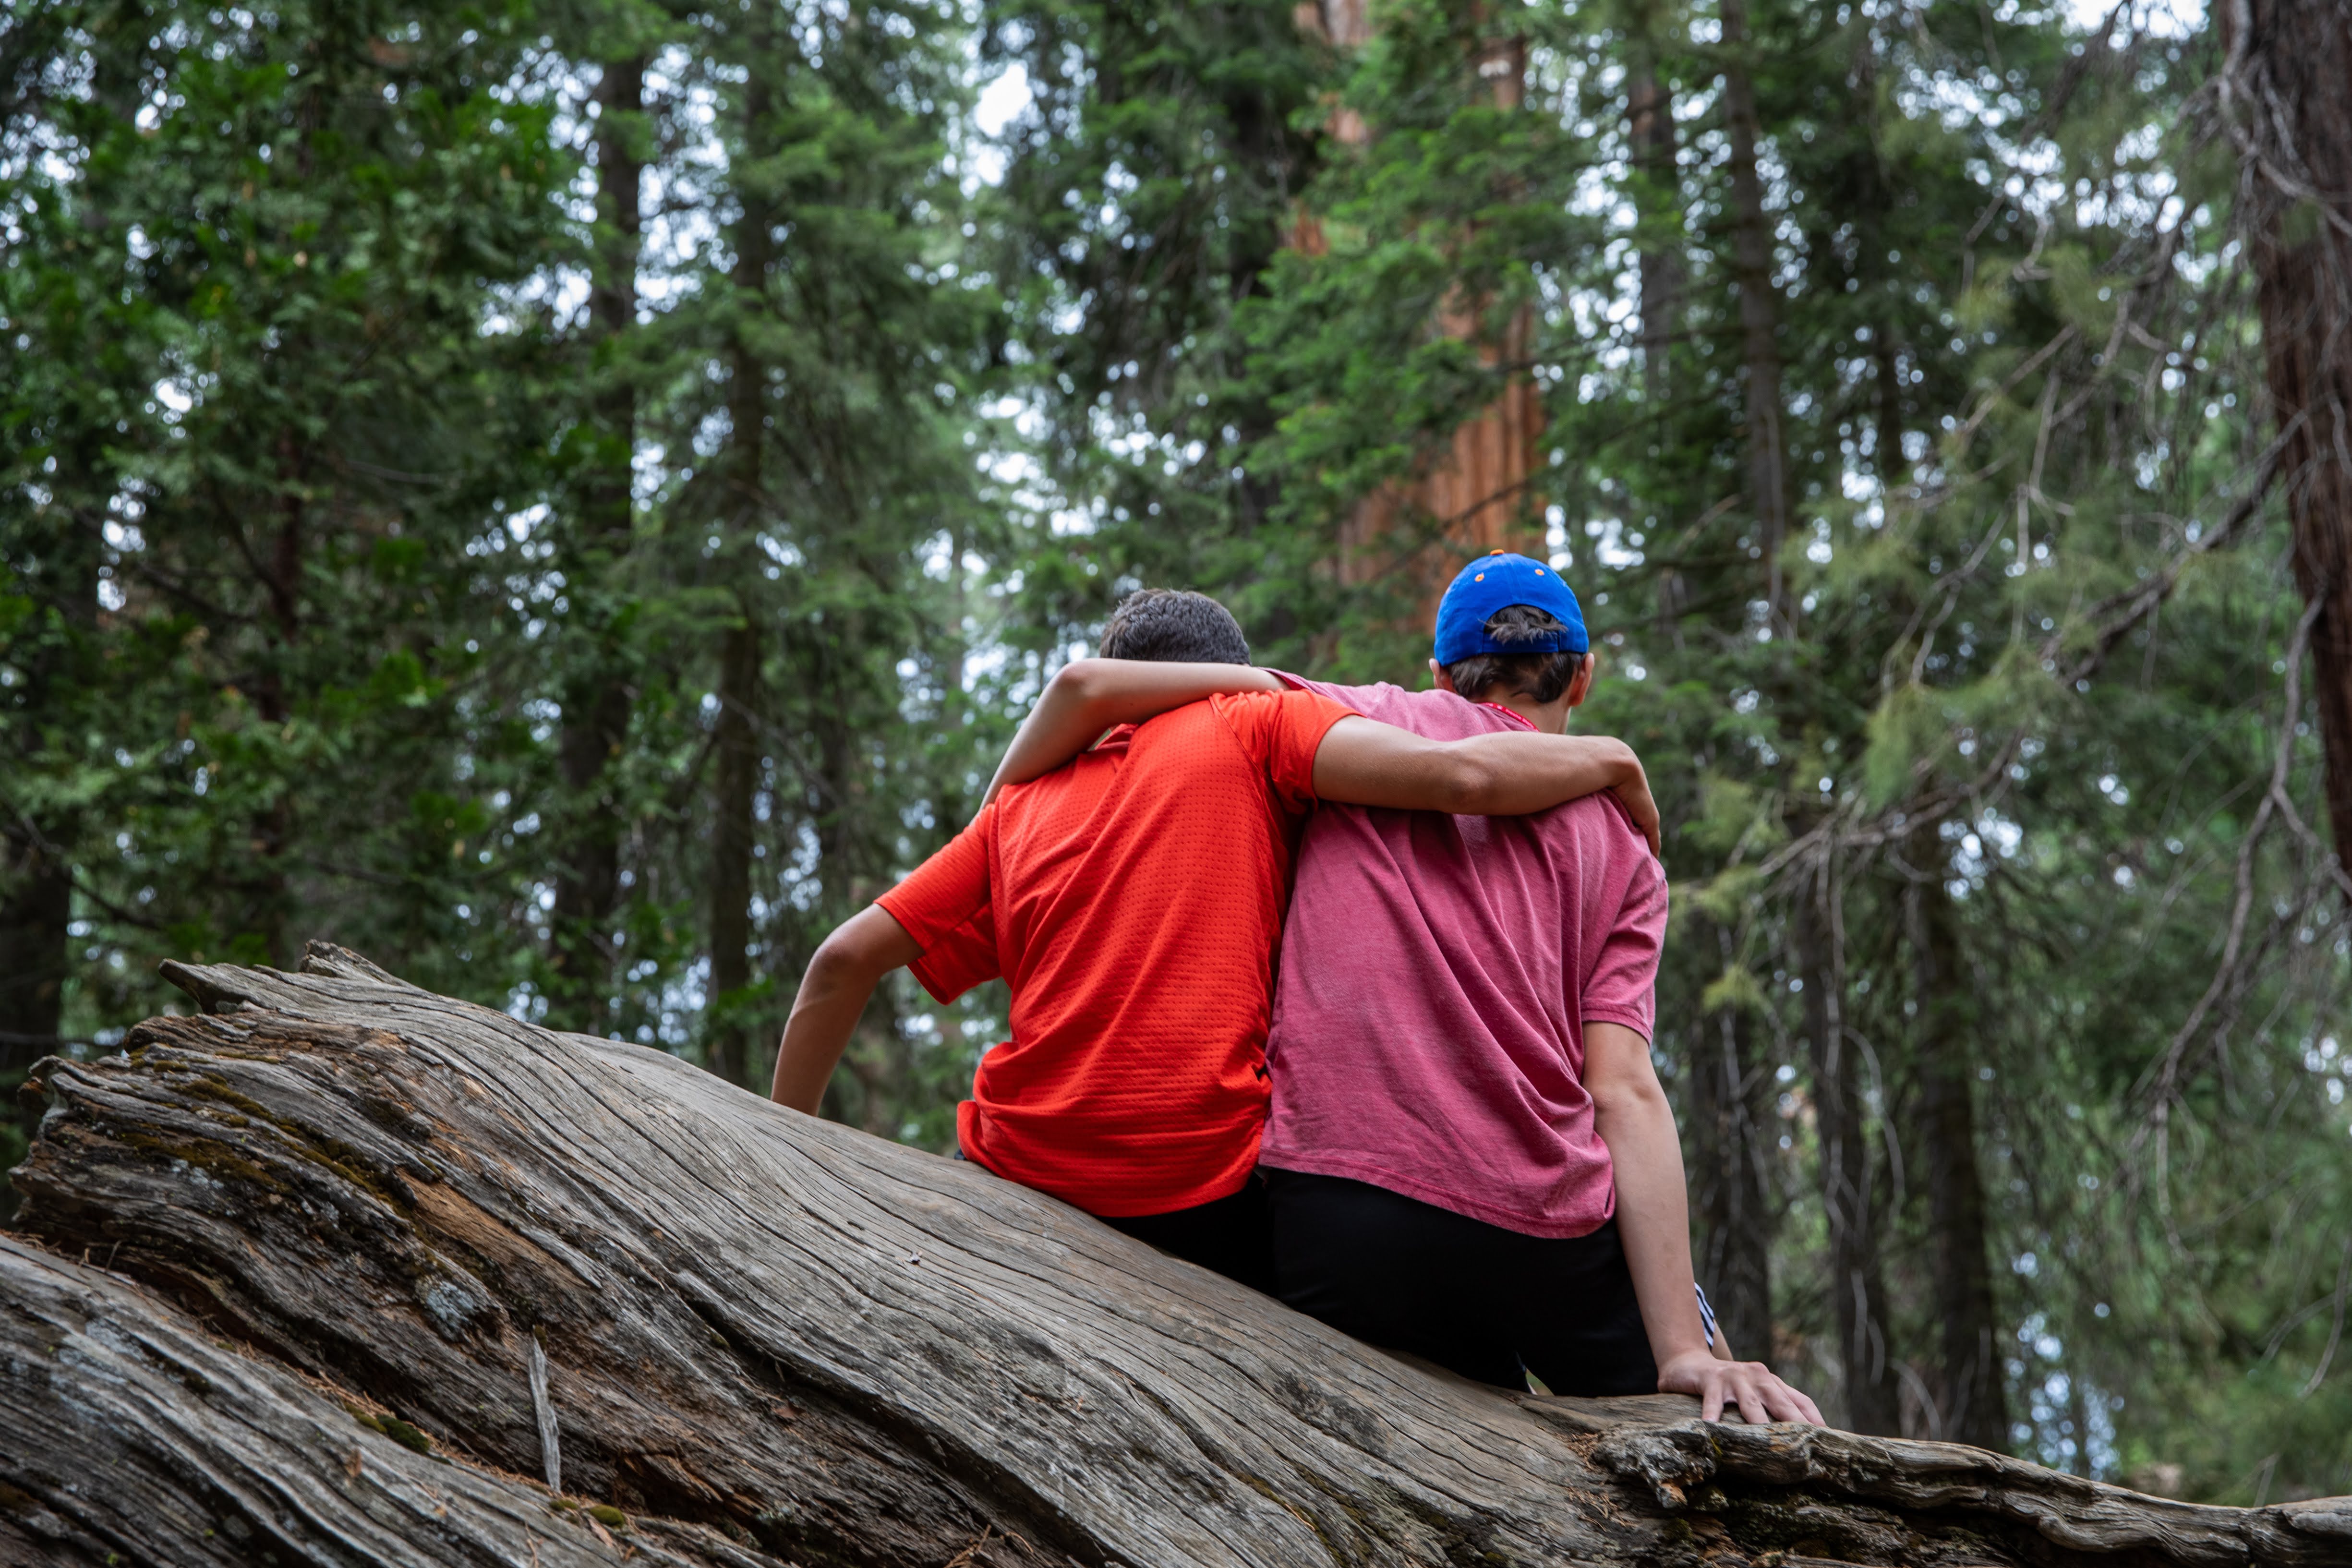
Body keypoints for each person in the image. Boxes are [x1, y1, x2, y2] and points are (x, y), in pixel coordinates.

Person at [1012, 557, 1819, 1425]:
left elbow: (1112, 689)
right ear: (1583, 674)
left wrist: (998, 829)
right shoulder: (1624, 847)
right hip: (1537, 1231)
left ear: (1438, 672)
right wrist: (1683, 1351)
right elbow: (1622, 1088)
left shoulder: (1350, 715)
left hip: (1337, 1218)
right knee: (1715, 1411)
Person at [770, 588, 1658, 1296]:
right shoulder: (1255, 723)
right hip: (1200, 1185)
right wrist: (1612, 759)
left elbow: (841, 962)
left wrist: (785, 1152)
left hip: (1019, 1168)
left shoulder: (1017, 808)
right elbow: (1462, 775)